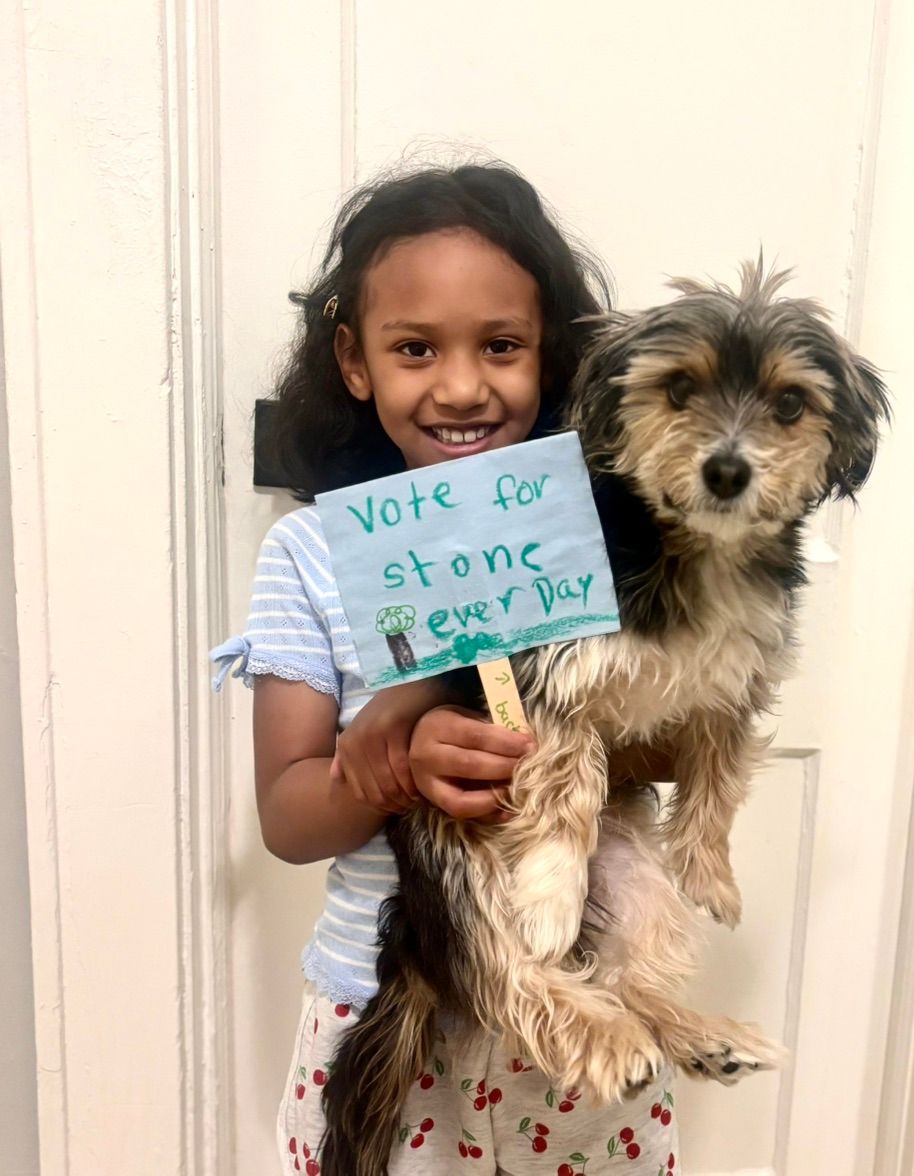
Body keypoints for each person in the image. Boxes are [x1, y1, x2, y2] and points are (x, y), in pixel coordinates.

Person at [212, 163, 680, 1175]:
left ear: (549, 354)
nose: (463, 387)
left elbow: (672, 746)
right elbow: (289, 818)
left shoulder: (602, 536)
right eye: (415, 348)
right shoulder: (311, 555)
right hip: (391, 1001)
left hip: (579, 1000)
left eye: (502, 347)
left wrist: (579, 749)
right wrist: (387, 763)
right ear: (354, 359)